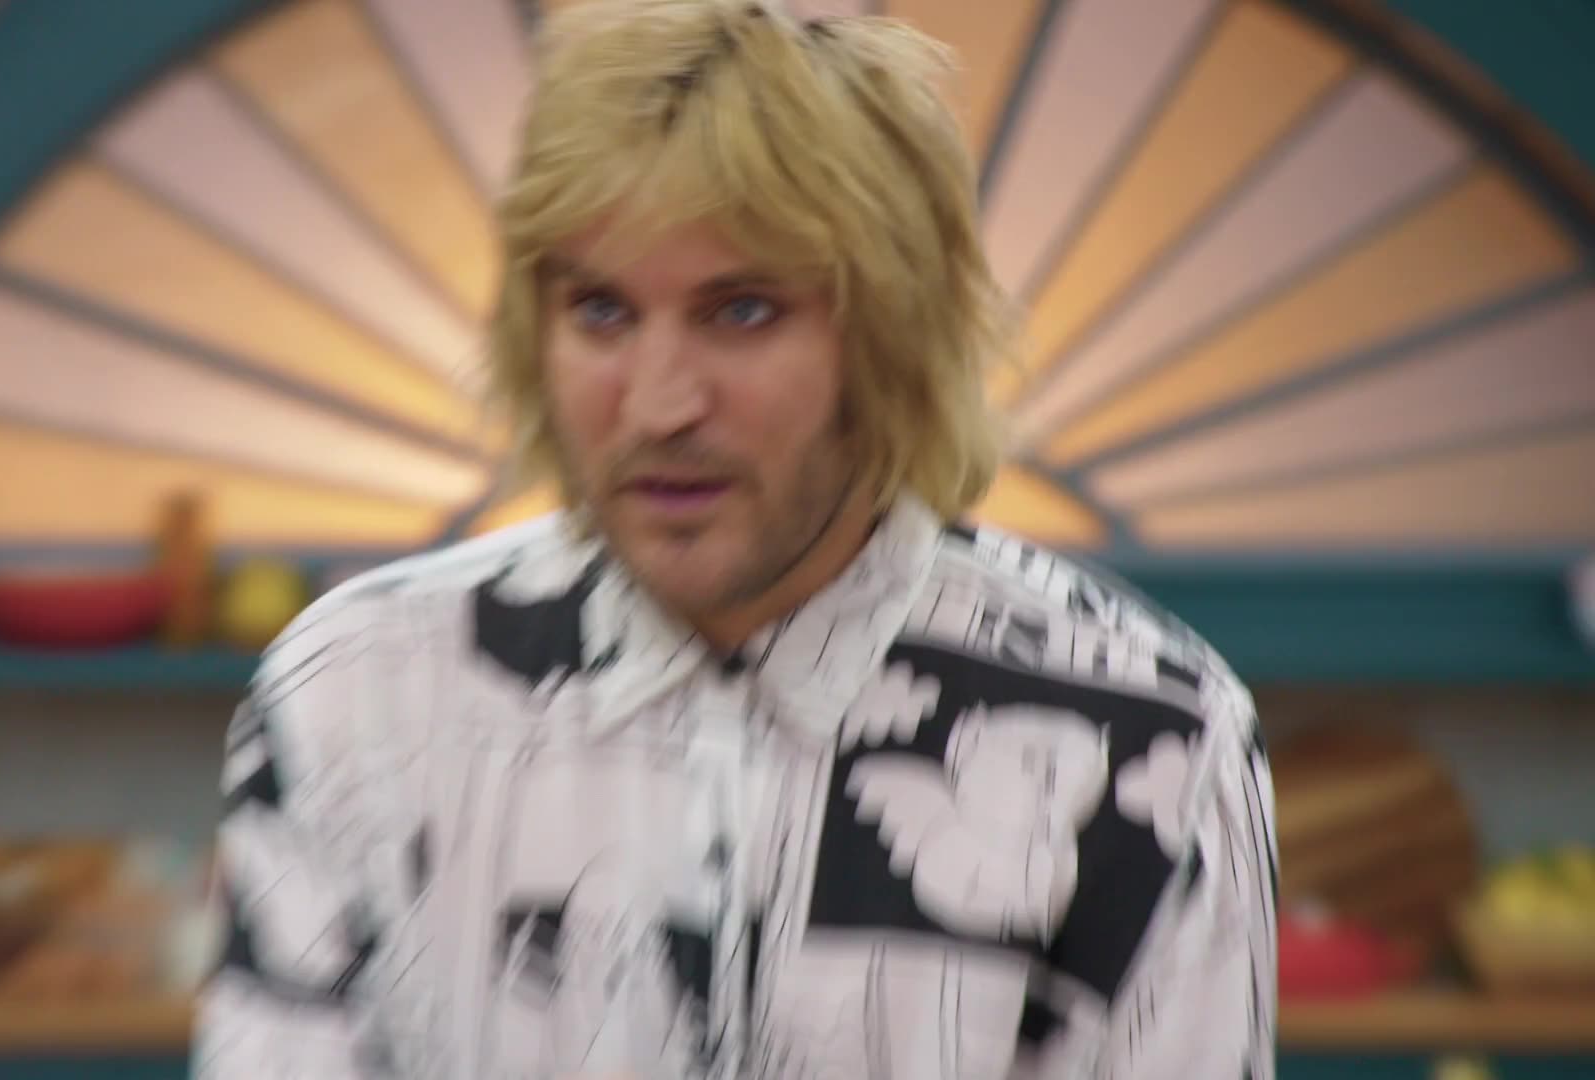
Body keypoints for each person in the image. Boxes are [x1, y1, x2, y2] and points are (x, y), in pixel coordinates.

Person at [192, 1, 1277, 1076]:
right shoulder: (360, 690)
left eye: (742, 311)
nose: (659, 405)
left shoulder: (1150, 737)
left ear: (890, 337)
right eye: (601, 312)